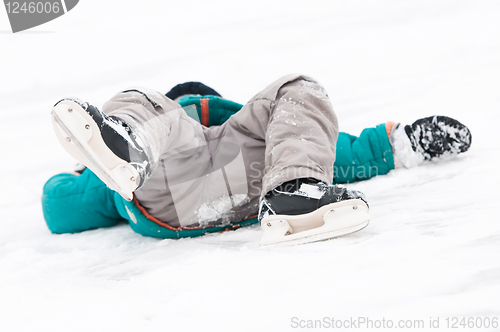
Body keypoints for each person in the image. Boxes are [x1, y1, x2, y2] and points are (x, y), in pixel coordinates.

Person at [43, 75, 471, 246]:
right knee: (299, 91)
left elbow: (61, 207)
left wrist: (81, 172)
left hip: (171, 194)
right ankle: (296, 186)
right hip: (242, 172)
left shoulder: (227, 129)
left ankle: (126, 139)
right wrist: (409, 140)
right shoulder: (266, 138)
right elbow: (349, 151)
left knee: (145, 101)